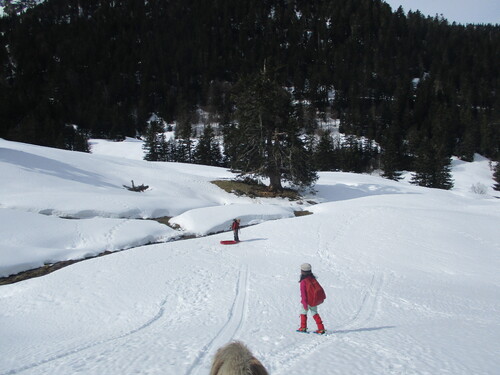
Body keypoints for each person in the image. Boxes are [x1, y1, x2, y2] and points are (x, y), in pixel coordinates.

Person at [297, 263, 326, 334]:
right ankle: (321, 328)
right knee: (315, 313)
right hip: (314, 301)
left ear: (302, 271)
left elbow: (303, 294)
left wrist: (304, 303)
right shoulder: (312, 278)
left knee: (303, 313)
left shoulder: (303, 282)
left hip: (307, 301)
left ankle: (303, 327)